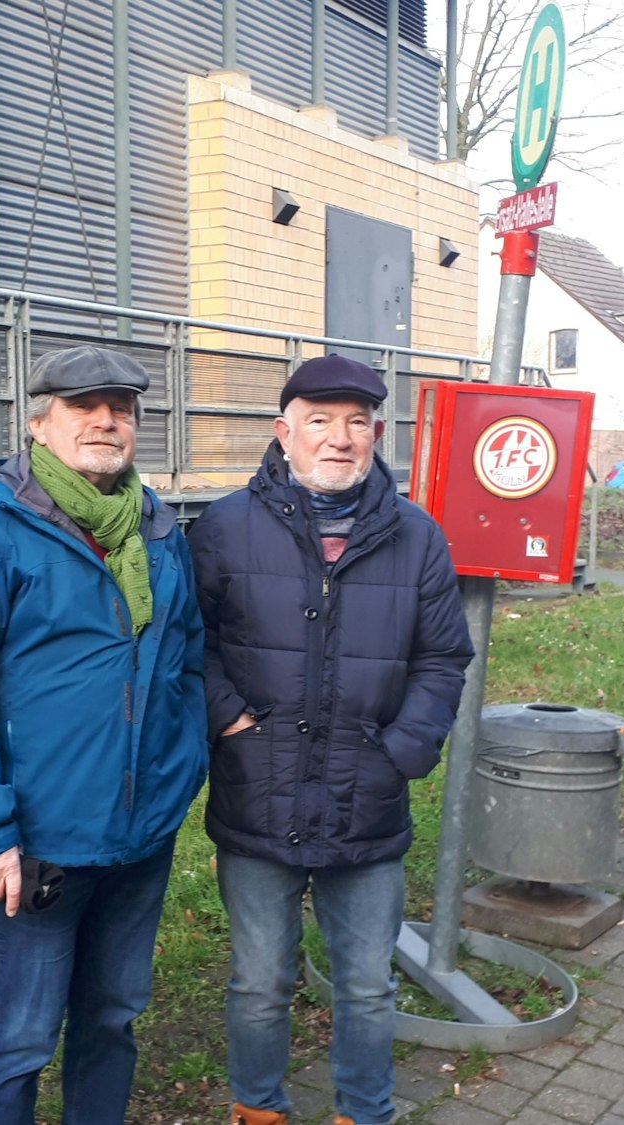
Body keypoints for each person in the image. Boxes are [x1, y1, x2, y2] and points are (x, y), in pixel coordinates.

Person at [0, 345, 208, 1124]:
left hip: (142, 836)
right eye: (84, 405)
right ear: (40, 421)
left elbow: (186, 659)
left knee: (112, 1018)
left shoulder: (159, 529)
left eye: (123, 408)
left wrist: (181, 774)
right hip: (37, 842)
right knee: (21, 1036)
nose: (107, 420)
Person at [187, 353, 475, 1125]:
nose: (339, 438)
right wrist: (230, 720)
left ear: (377, 433)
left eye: (356, 422)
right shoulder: (223, 528)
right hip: (260, 792)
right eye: (319, 420)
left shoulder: (418, 536)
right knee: (257, 980)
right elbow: (190, 643)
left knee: (367, 984)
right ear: (284, 432)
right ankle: (260, 1111)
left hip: (367, 797)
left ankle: (364, 1112)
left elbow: (444, 657)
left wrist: (403, 749)